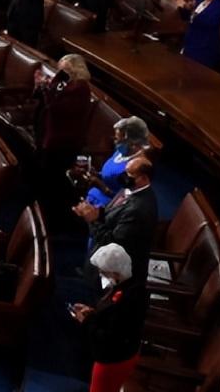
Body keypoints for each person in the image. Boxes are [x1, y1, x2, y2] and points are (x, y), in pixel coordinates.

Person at [68, 243, 148, 392]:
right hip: (112, 357)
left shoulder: (130, 298)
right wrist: (93, 313)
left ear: (115, 273)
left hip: (114, 360)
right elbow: (109, 316)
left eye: (104, 273)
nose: (102, 277)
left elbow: (111, 336)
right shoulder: (128, 286)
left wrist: (87, 322)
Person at [73, 154, 158, 286]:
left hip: (117, 269)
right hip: (110, 246)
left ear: (143, 178)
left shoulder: (138, 210)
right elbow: (112, 211)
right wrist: (95, 212)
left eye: (129, 175)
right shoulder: (131, 190)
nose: (124, 177)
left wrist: (93, 220)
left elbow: (111, 244)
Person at [36, 55, 93, 192]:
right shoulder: (68, 84)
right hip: (53, 132)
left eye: (64, 70)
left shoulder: (80, 88)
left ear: (75, 70)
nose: (60, 73)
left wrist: (46, 88)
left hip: (64, 139)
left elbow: (56, 108)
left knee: (54, 175)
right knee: (44, 169)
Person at [81, 117, 149, 208]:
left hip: (105, 207)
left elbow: (125, 200)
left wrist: (101, 186)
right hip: (92, 195)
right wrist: (98, 174)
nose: (115, 141)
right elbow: (112, 175)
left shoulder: (135, 166)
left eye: (117, 139)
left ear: (132, 143)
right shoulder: (122, 151)